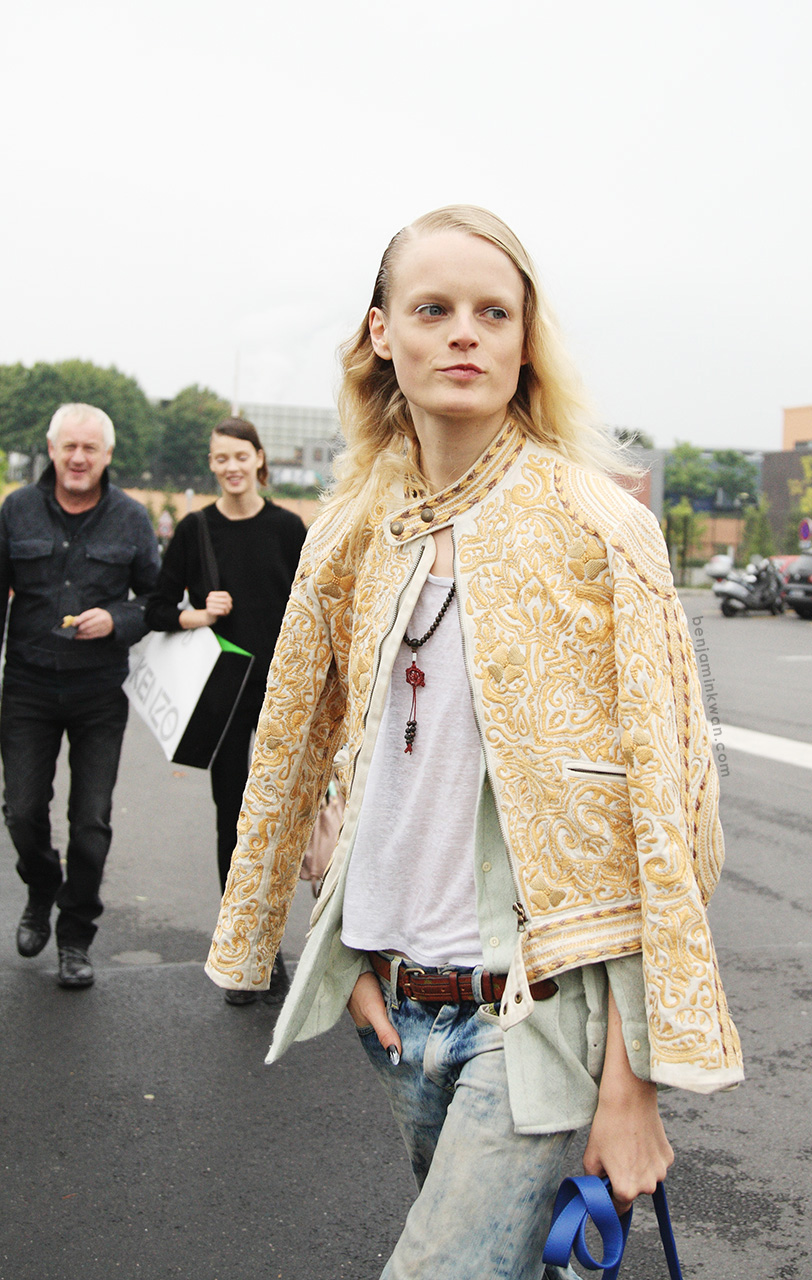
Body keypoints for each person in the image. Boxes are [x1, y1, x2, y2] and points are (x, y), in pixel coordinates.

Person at [206, 206, 744, 1278]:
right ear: (379, 333)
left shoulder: (600, 522)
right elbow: (307, 757)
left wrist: (629, 1082)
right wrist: (342, 927)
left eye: (494, 312)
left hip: (542, 1010)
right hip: (401, 1009)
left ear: (523, 340)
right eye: (434, 308)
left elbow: (671, 808)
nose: (466, 333)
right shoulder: (349, 533)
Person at [145, 417, 306, 1005]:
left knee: (278, 823)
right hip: (223, 696)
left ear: (259, 459)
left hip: (282, 697)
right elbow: (157, 606)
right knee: (231, 821)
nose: (231, 467)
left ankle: (272, 948)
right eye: (220, 458)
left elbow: (316, 611)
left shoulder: (289, 529)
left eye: (240, 456)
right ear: (211, 464)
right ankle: (240, 949)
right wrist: (197, 614)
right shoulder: (195, 531)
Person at [0, 402, 160, 989]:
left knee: (91, 822)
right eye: (69, 446)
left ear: (107, 455)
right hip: (27, 687)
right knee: (21, 811)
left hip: (97, 692)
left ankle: (74, 937)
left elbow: (155, 603)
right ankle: (42, 884)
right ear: (51, 449)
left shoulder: (132, 519)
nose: (78, 457)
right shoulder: (16, 509)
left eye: (90, 448)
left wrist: (116, 619)